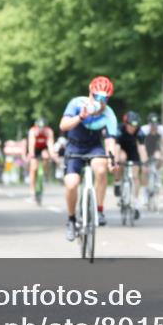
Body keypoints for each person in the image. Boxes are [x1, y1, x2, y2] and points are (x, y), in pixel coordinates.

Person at [59, 76, 119, 240]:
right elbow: (63, 126)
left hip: (94, 147)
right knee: (72, 184)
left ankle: (99, 210)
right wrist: (80, 117)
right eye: (96, 97)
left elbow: (110, 141)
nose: (100, 102)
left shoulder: (109, 114)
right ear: (90, 92)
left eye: (104, 99)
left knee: (101, 170)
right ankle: (71, 220)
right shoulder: (76, 103)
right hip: (74, 146)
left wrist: (112, 160)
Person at [114, 111, 146, 220]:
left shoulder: (140, 132)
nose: (133, 128)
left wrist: (145, 162)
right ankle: (118, 182)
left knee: (136, 175)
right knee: (121, 159)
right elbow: (116, 147)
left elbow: (142, 149)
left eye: (135, 126)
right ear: (126, 124)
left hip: (133, 150)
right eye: (131, 126)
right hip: (121, 149)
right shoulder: (119, 129)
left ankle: (135, 203)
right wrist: (116, 161)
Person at [26, 118, 57, 201]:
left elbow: (50, 144)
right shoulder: (32, 131)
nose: (41, 129)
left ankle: (45, 174)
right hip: (35, 149)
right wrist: (31, 153)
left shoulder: (49, 131)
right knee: (33, 168)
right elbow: (31, 144)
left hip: (44, 148)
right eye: (39, 127)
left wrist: (52, 154)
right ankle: (32, 191)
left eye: (42, 127)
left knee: (46, 157)